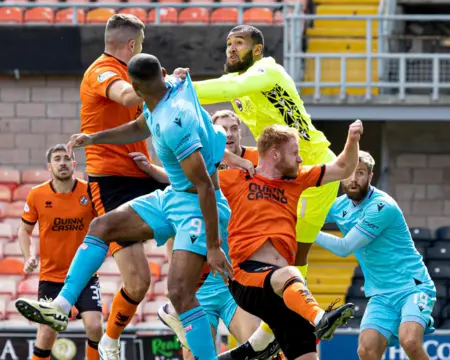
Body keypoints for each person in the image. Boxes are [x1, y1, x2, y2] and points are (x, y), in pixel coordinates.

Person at [17, 53, 248, 360]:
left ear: (135, 88)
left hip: (198, 204)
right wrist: (94, 139)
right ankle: (60, 306)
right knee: (102, 226)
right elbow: (141, 126)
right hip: (174, 196)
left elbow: (205, 185)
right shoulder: (169, 87)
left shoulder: (174, 121)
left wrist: (214, 245)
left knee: (180, 293)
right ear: (162, 74)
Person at [172, 25, 340, 357]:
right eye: (228, 44)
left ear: (258, 50)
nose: (231, 49)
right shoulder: (238, 94)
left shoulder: (267, 70)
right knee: (281, 258)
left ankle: (268, 335)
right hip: (278, 173)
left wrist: (179, 88)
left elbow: (232, 83)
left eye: (239, 44)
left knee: (295, 258)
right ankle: (271, 333)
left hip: (313, 167)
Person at [14, 14, 168, 359]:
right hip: (112, 180)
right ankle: (102, 334)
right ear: (131, 46)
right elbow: (129, 97)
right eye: (140, 46)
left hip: (141, 173)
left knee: (184, 213)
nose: (141, 52)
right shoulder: (102, 71)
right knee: (138, 280)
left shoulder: (129, 73)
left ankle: (179, 305)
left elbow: (139, 125)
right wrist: (165, 80)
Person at [134, 109, 281, 360]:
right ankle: (176, 300)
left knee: (259, 352)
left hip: (234, 280)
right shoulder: (201, 167)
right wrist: (151, 169)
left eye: (234, 128)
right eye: (223, 128)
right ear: (212, 133)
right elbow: (176, 180)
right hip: (200, 286)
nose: (230, 133)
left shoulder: (254, 163)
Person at [217, 120, 364, 360]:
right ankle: (320, 318)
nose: (300, 160)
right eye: (295, 153)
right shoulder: (236, 179)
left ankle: (245, 354)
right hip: (246, 278)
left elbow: (343, 168)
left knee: (307, 356)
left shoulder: (298, 179)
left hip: (284, 289)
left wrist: (353, 139)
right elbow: (190, 175)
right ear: (274, 153)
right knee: (291, 273)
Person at [315, 151, 437, 360]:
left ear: (370, 177)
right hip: (381, 294)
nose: (354, 179)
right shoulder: (339, 206)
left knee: (410, 341)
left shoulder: (382, 206)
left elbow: (345, 248)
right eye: (349, 173)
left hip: (412, 286)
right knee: (366, 350)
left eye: (360, 173)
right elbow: (305, 214)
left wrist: (306, 231)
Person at [17, 145, 103, 360]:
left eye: (67, 158)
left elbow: (105, 222)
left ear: (74, 164)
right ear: (49, 166)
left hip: (85, 275)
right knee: (46, 334)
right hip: (51, 277)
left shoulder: (89, 191)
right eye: (57, 159)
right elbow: (24, 231)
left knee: (94, 326)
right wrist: (28, 256)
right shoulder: (37, 194)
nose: (62, 162)